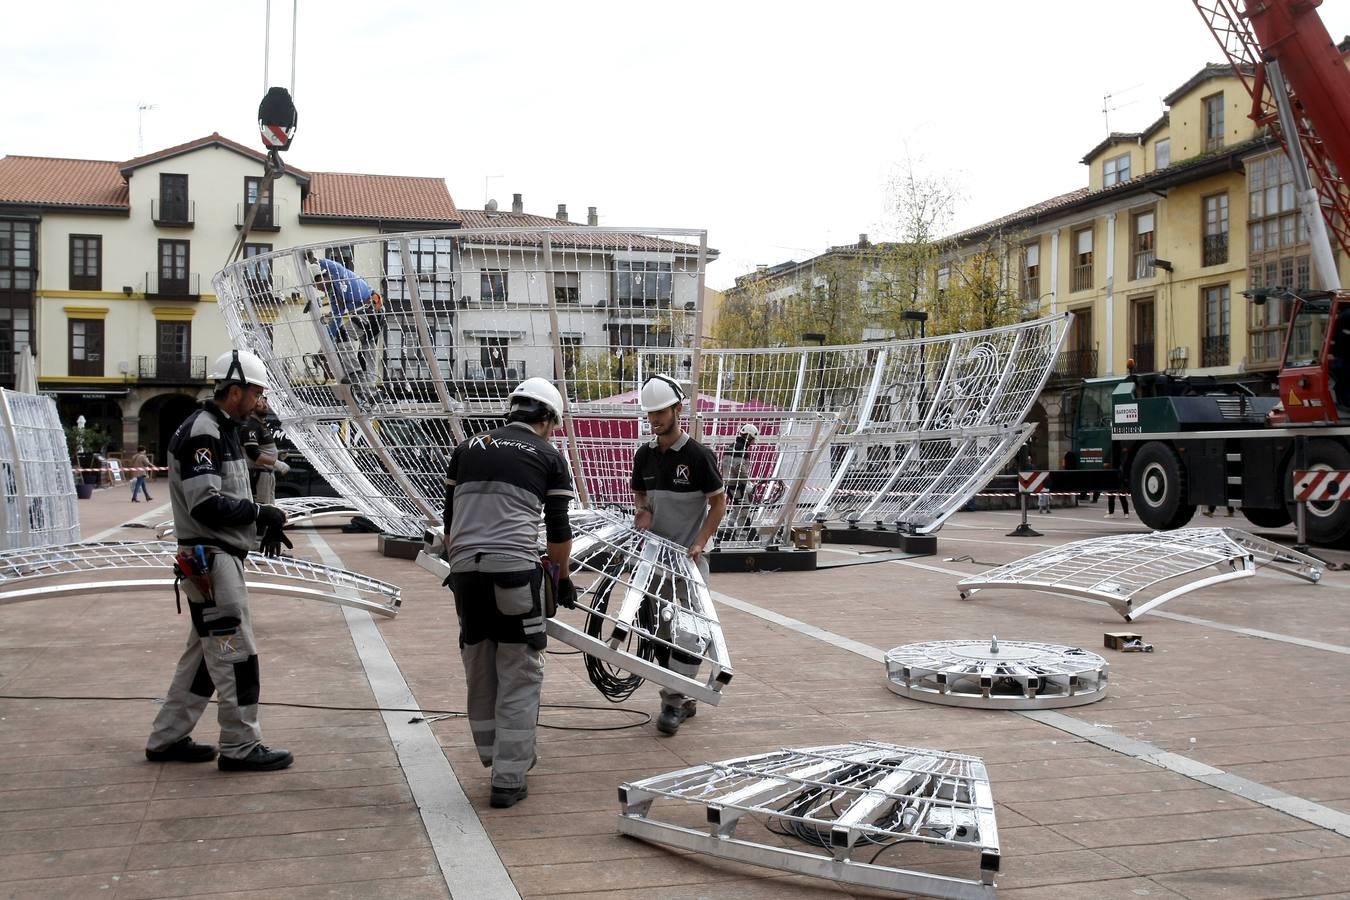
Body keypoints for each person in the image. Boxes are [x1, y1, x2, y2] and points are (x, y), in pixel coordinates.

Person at [144, 350, 294, 773]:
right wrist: (261, 514)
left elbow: (225, 495)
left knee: (204, 656)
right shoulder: (203, 433)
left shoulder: (222, 430)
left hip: (215, 558)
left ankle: (167, 736)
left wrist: (258, 523)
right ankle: (241, 745)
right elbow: (206, 504)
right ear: (235, 390)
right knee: (234, 654)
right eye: (256, 392)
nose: (259, 400)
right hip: (213, 561)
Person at [443, 377, 576, 809]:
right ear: (546, 419)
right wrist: (561, 577)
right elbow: (558, 531)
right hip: (515, 576)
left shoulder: (465, 449)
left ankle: (491, 754)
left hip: (464, 575)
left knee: (480, 663)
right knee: (519, 671)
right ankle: (509, 777)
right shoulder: (549, 456)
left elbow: (450, 524)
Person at [631, 374, 727, 735]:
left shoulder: (699, 456)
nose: (654, 419)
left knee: (690, 633)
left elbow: (718, 503)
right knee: (660, 632)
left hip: (688, 560)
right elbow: (640, 495)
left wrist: (700, 541)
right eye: (649, 413)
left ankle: (671, 702)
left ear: (678, 409)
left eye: (660, 412)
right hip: (655, 558)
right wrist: (642, 511)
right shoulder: (645, 456)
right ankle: (685, 698)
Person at [306, 251, 383, 383]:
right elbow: (336, 320)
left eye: (317, 284)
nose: (318, 289)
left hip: (372, 312)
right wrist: (324, 347)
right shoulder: (334, 296)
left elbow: (336, 266)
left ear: (323, 277)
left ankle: (354, 373)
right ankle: (368, 389)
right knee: (365, 356)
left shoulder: (339, 276)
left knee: (342, 334)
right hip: (371, 318)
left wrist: (315, 260)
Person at [241, 395, 289, 505]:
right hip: (258, 475)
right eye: (261, 402)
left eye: (266, 402)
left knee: (270, 505)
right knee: (263, 507)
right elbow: (253, 454)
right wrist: (276, 462)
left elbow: (263, 449)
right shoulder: (251, 426)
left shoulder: (260, 424)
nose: (265, 405)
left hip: (267, 474)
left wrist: (277, 455)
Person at [719, 423, 758, 540]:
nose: (753, 443)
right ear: (748, 437)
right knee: (744, 509)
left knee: (736, 507)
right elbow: (740, 469)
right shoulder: (741, 450)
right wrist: (747, 484)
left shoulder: (730, 447)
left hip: (728, 483)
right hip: (737, 485)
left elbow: (724, 467)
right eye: (753, 440)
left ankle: (726, 530)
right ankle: (741, 536)